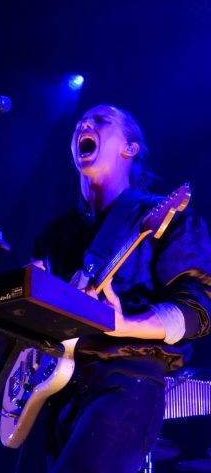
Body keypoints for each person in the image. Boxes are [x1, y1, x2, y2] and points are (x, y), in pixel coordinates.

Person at [33, 105, 211, 473]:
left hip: (125, 380)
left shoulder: (163, 216)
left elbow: (198, 307)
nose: (85, 123)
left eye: (101, 120)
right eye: (81, 121)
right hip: (53, 393)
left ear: (130, 148)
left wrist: (123, 324)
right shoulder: (53, 236)